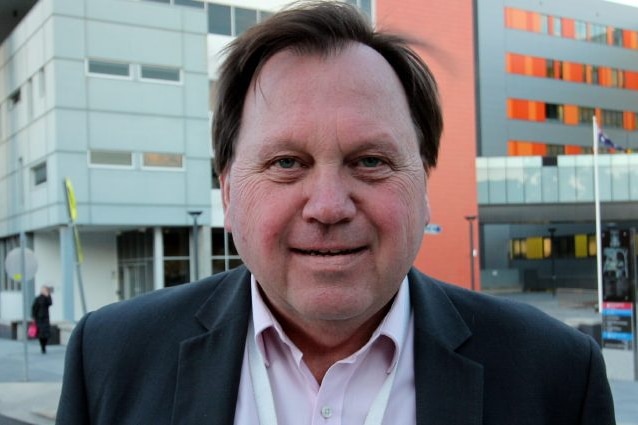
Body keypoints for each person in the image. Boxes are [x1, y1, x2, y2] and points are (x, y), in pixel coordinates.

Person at [56, 2, 615, 424]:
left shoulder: (558, 376)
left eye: (370, 161)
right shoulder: (109, 359)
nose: (328, 207)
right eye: (286, 162)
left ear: (423, 188)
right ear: (228, 193)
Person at [31, 285, 52, 354]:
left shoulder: (47, 298)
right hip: (39, 319)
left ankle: (45, 345)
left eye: (45, 290)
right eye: (43, 290)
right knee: (40, 334)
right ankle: (42, 347)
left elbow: (50, 303)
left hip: (46, 318)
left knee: (46, 334)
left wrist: (48, 295)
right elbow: (34, 308)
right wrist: (33, 317)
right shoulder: (38, 298)